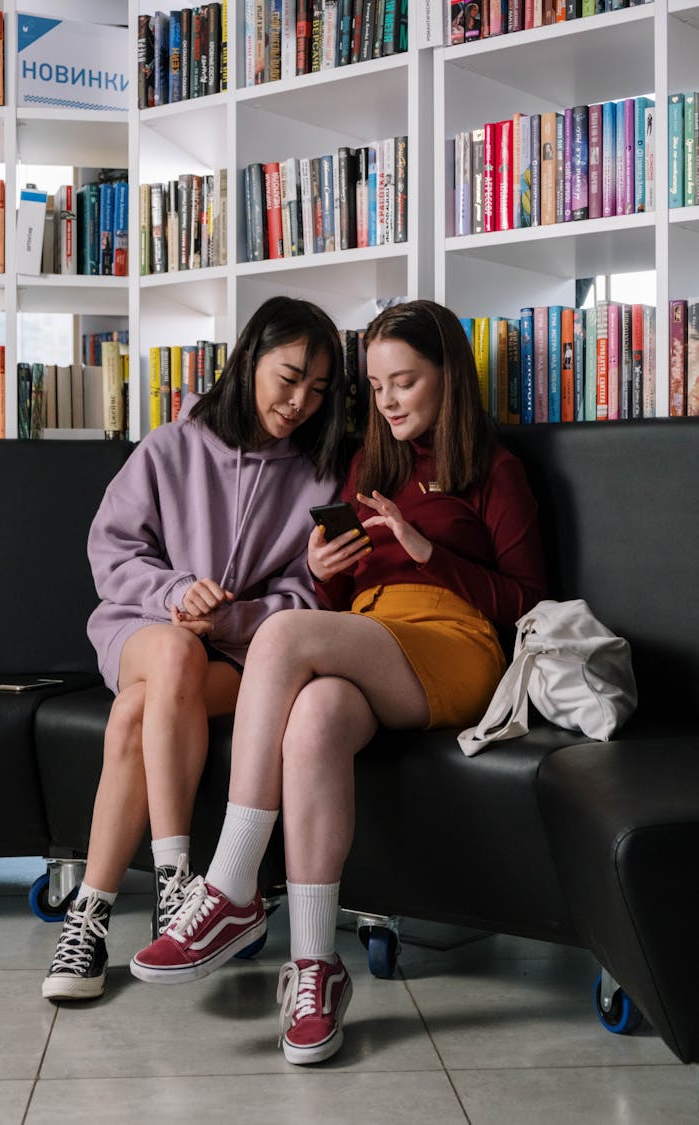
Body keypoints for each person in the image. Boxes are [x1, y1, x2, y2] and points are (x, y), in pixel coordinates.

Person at [129, 299, 547, 1064]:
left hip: (455, 643)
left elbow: (526, 600)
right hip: (369, 637)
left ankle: (230, 887)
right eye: (377, 386)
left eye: (406, 383)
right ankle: (317, 965)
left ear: (449, 378)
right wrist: (324, 579)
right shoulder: (367, 462)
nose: (387, 402)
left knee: (281, 633)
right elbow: (338, 607)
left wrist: (431, 554)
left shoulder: (495, 469)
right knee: (315, 715)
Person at [42, 295, 347, 1002]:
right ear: (249, 363)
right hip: (140, 629)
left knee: (137, 712)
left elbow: (311, 597)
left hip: (244, 656)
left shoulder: (319, 473)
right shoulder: (169, 447)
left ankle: (89, 911)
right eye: (289, 376)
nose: (300, 401)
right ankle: (178, 877)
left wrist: (236, 617)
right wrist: (176, 592)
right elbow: (111, 551)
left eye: (318, 390)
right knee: (172, 658)